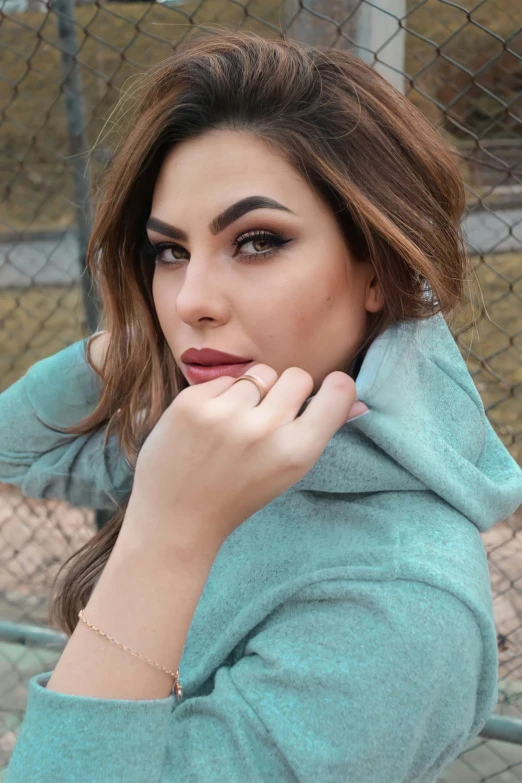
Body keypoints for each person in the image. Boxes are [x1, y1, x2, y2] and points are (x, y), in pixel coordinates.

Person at [2, 30, 522, 783]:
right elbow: (15, 448)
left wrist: (169, 532)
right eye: (169, 252)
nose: (192, 302)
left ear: (377, 266)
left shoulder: (403, 607)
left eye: (256, 241)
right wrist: (120, 349)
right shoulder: (221, 431)